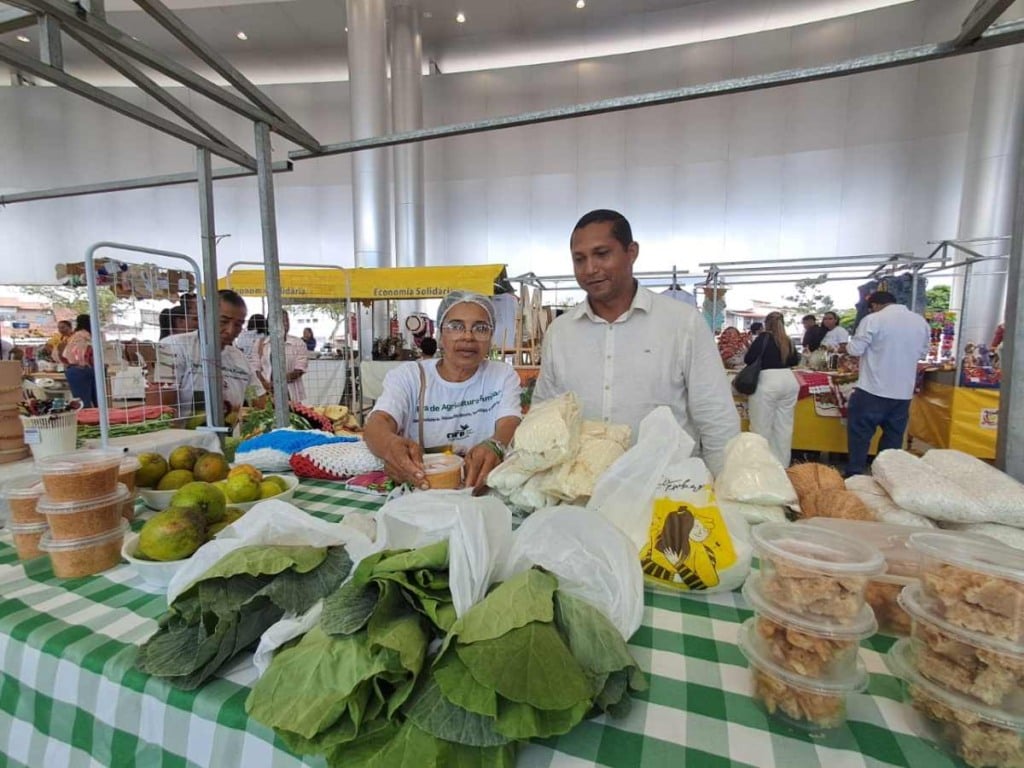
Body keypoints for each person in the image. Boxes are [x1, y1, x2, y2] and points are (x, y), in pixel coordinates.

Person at [534, 209, 739, 476]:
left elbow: (716, 418)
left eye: (601, 254)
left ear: (631, 252)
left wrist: (726, 489)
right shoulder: (560, 332)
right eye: (579, 259)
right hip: (581, 492)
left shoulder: (682, 323)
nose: (590, 269)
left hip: (667, 490)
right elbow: (543, 415)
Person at [364, 291, 522, 493]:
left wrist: (495, 445)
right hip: (423, 491)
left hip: (480, 490)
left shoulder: (501, 375)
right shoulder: (410, 377)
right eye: (456, 327)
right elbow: (378, 423)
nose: (468, 336)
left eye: (481, 328)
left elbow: (510, 421)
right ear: (440, 334)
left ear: (491, 337)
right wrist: (390, 446)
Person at [844, 291, 930, 477]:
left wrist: (848, 345)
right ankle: (885, 477)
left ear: (874, 305)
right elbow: (923, 353)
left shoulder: (873, 319)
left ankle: (855, 474)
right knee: (892, 439)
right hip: (903, 391)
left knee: (860, 435)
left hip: (872, 388)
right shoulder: (920, 322)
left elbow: (855, 349)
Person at [156, 289, 266, 419]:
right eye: (223, 321)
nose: (230, 330)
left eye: (238, 324)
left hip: (231, 437)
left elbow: (258, 400)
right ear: (205, 317)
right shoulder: (173, 347)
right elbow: (160, 409)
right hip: (186, 437)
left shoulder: (239, 358)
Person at [744, 311, 801, 466]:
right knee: (783, 428)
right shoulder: (788, 340)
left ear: (766, 323)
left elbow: (748, 359)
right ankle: (782, 466)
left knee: (760, 428)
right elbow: (795, 360)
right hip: (789, 380)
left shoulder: (763, 338)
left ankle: (760, 466)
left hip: (768, 381)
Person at [256, 310, 309, 402]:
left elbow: (300, 368)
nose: (285, 324)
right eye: (281, 321)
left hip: (290, 392)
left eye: (287, 321)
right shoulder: (261, 343)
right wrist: (264, 383)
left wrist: (278, 382)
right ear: (270, 323)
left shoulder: (298, 343)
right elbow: (255, 367)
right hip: (266, 391)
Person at [63, 314, 97, 407]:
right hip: (83, 368)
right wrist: (84, 363)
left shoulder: (75, 336)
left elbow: (65, 354)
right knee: (97, 400)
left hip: (75, 369)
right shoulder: (84, 336)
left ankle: (88, 419)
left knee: (82, 401)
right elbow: (81, 352)